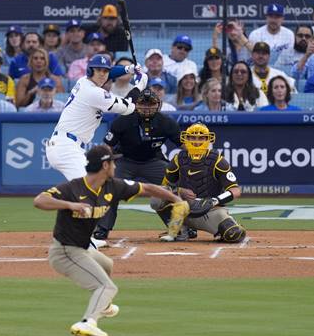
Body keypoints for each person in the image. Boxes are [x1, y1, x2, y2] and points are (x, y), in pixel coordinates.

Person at [34, 144, 187, 336]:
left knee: (107, 263)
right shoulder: (72, 188)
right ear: (105, 165)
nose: (116, 165)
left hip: (81, 249)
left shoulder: (113, 186)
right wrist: (70, 204)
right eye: (113, 161)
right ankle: (88, 323)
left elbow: (147, 187)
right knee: (107, 286)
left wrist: (176, 199)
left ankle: (103, 305)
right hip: (64, 252)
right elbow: (39, 200)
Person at [93, 89, 182, 240]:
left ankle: (180, 226)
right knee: (109, 186)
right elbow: (107, 146)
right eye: (143, 104)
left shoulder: (166, 123)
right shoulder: (123, 120)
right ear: (136, 105)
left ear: (158, 105)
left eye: (151, 104)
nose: (147, 107)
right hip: (125, 161)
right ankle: (102, 228)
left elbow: (183, 145)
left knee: (175, 186)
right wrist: (106, 165)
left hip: (153, 161)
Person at [45, 53, 148, 182]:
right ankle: (49, 201)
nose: (102, 74)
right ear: (90, 71)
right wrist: (139, 86)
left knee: (90, 185)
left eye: (105, 70)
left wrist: (128, 69)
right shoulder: (95, 93)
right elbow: (127, 107)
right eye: (98, 70)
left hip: (67, 145)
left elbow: (108, 75)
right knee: (91, 185)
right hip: (65, 148)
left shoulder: (83, 81)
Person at [151, 122, 246, 242]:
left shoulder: (218, 161)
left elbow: (235, 190)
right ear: (186, 139)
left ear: (208, 139)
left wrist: (214, 201)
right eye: (192, 137)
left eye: (201, 138)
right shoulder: (178, 159)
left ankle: (225, 225)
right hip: (183, 210)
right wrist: (179, 191)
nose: (196, 141)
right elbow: (163, 188)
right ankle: (179, 230)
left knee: (233, 233)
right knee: (157, 197)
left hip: (211, 211)